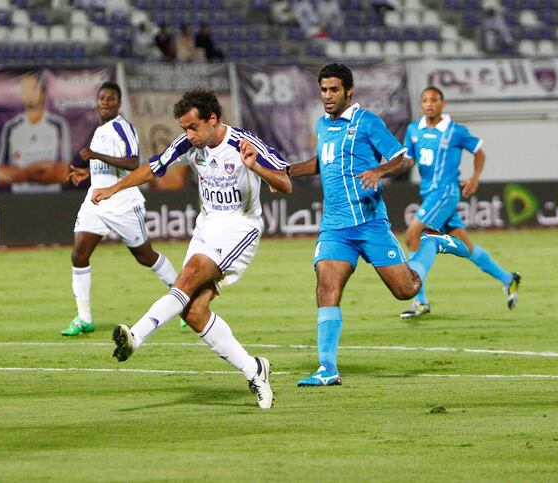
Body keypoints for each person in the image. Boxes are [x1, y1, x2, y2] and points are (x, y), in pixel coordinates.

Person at [91, 87, 292, 409]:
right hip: (206, 226)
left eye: (193, 127)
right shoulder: (188, 143)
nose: (188, 134)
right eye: (184, 128)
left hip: (240, 226)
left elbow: (285, 184)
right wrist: (114, 188)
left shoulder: (244, 143)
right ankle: (254, 369)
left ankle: (137, 336)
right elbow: (154, 166)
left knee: (188, 276)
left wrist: (255, 167)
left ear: (212, 119)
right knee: (194, 311)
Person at [288, 64, 470, 387]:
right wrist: (289, 172)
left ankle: (432, 243)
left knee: (406, 289)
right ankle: (327, 368)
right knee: (326, 288)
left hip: (370, 223)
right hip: (335, 227)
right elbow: (321, 160)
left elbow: (402, 157)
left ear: (348, 91)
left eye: (333, 90)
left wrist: (378, 172)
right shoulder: (323, 125)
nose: (327, 96)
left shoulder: (367, 122)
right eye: (323, 90)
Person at [61, 82, 179, 336]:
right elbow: (105, 169)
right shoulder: (100, 130)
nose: (105, 102)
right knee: (78, 255)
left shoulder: (122, 127)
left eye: (111, 98)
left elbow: (132, 162)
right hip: (96, 201)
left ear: (119, 103)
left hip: (123, 203)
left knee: (145, 256)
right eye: (102, 98)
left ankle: (184, 298)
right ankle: (84, 318)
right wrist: (87, 172)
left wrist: (96, 156)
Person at [399, 86, 520, 318]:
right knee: (466, 247)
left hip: (445, 193)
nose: (429, 104)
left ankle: (420, 301)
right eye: (424, 100)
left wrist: (474, 178)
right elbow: (409, 161)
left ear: (443, 104)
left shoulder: (455, 131)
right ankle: (508, 278)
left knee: (413, 235)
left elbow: (479, 152)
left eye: (434, 99)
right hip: (430, 195)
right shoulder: (414, 130)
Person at [0, 73, 71, 193]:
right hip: (19, 200)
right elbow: (1, 175)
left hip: (52, 200)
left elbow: (62, 174)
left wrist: (19, 174)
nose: (29, 93)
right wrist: (37, 167)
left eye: (33, 88)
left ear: (43, 92)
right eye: (25, 89)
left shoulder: (58, 125)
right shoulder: (11, 127)